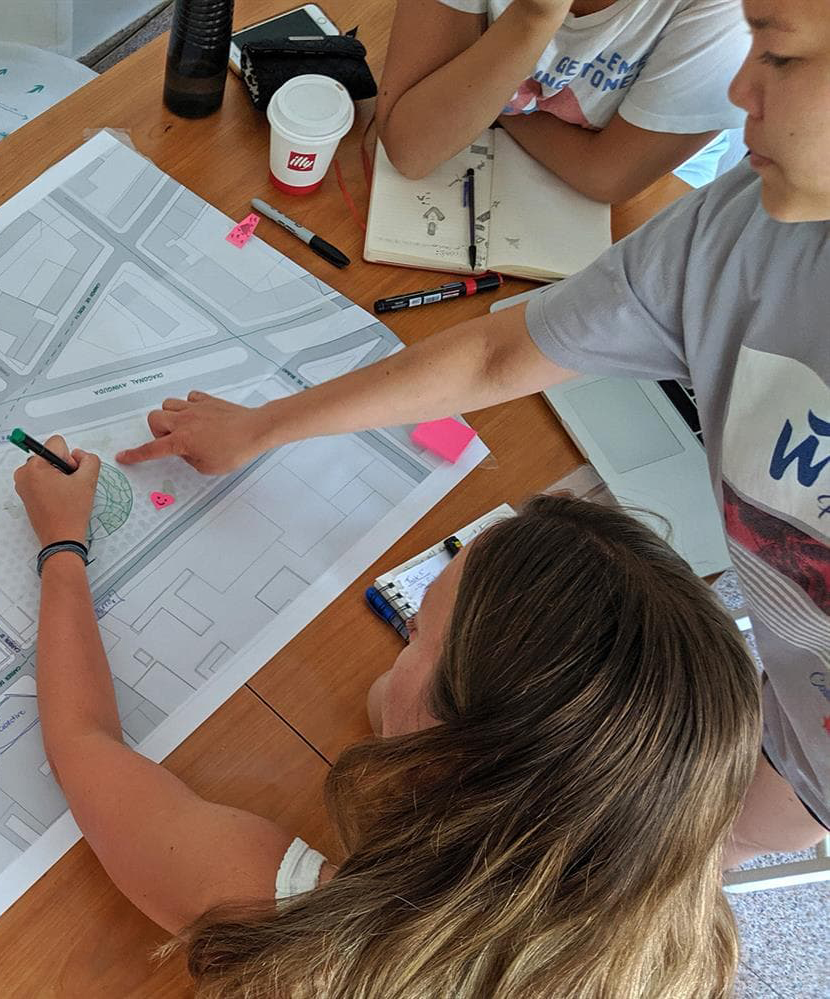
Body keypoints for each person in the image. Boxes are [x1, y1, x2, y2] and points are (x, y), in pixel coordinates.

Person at [117, 0, 830, 866]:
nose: (740, 86)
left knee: (659, 866)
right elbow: (498, 351)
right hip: (789, 708)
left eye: (782, 58)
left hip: (811, 764)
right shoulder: (747, 224)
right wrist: (266, 426)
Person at [12, 438, 759, 997]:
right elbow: (394, 713)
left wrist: (63, 543)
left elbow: (83, 743)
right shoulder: (664, 917)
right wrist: (421, 710)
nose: (401, 641)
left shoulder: (318, 947)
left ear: (453, 756)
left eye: (415, 634)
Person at [377, 0, 750, 202]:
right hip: (500, 135)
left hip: (652, 181)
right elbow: (411, 149)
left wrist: (494, 97)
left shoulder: (732, 13)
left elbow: (608, 179)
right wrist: (534, 15)